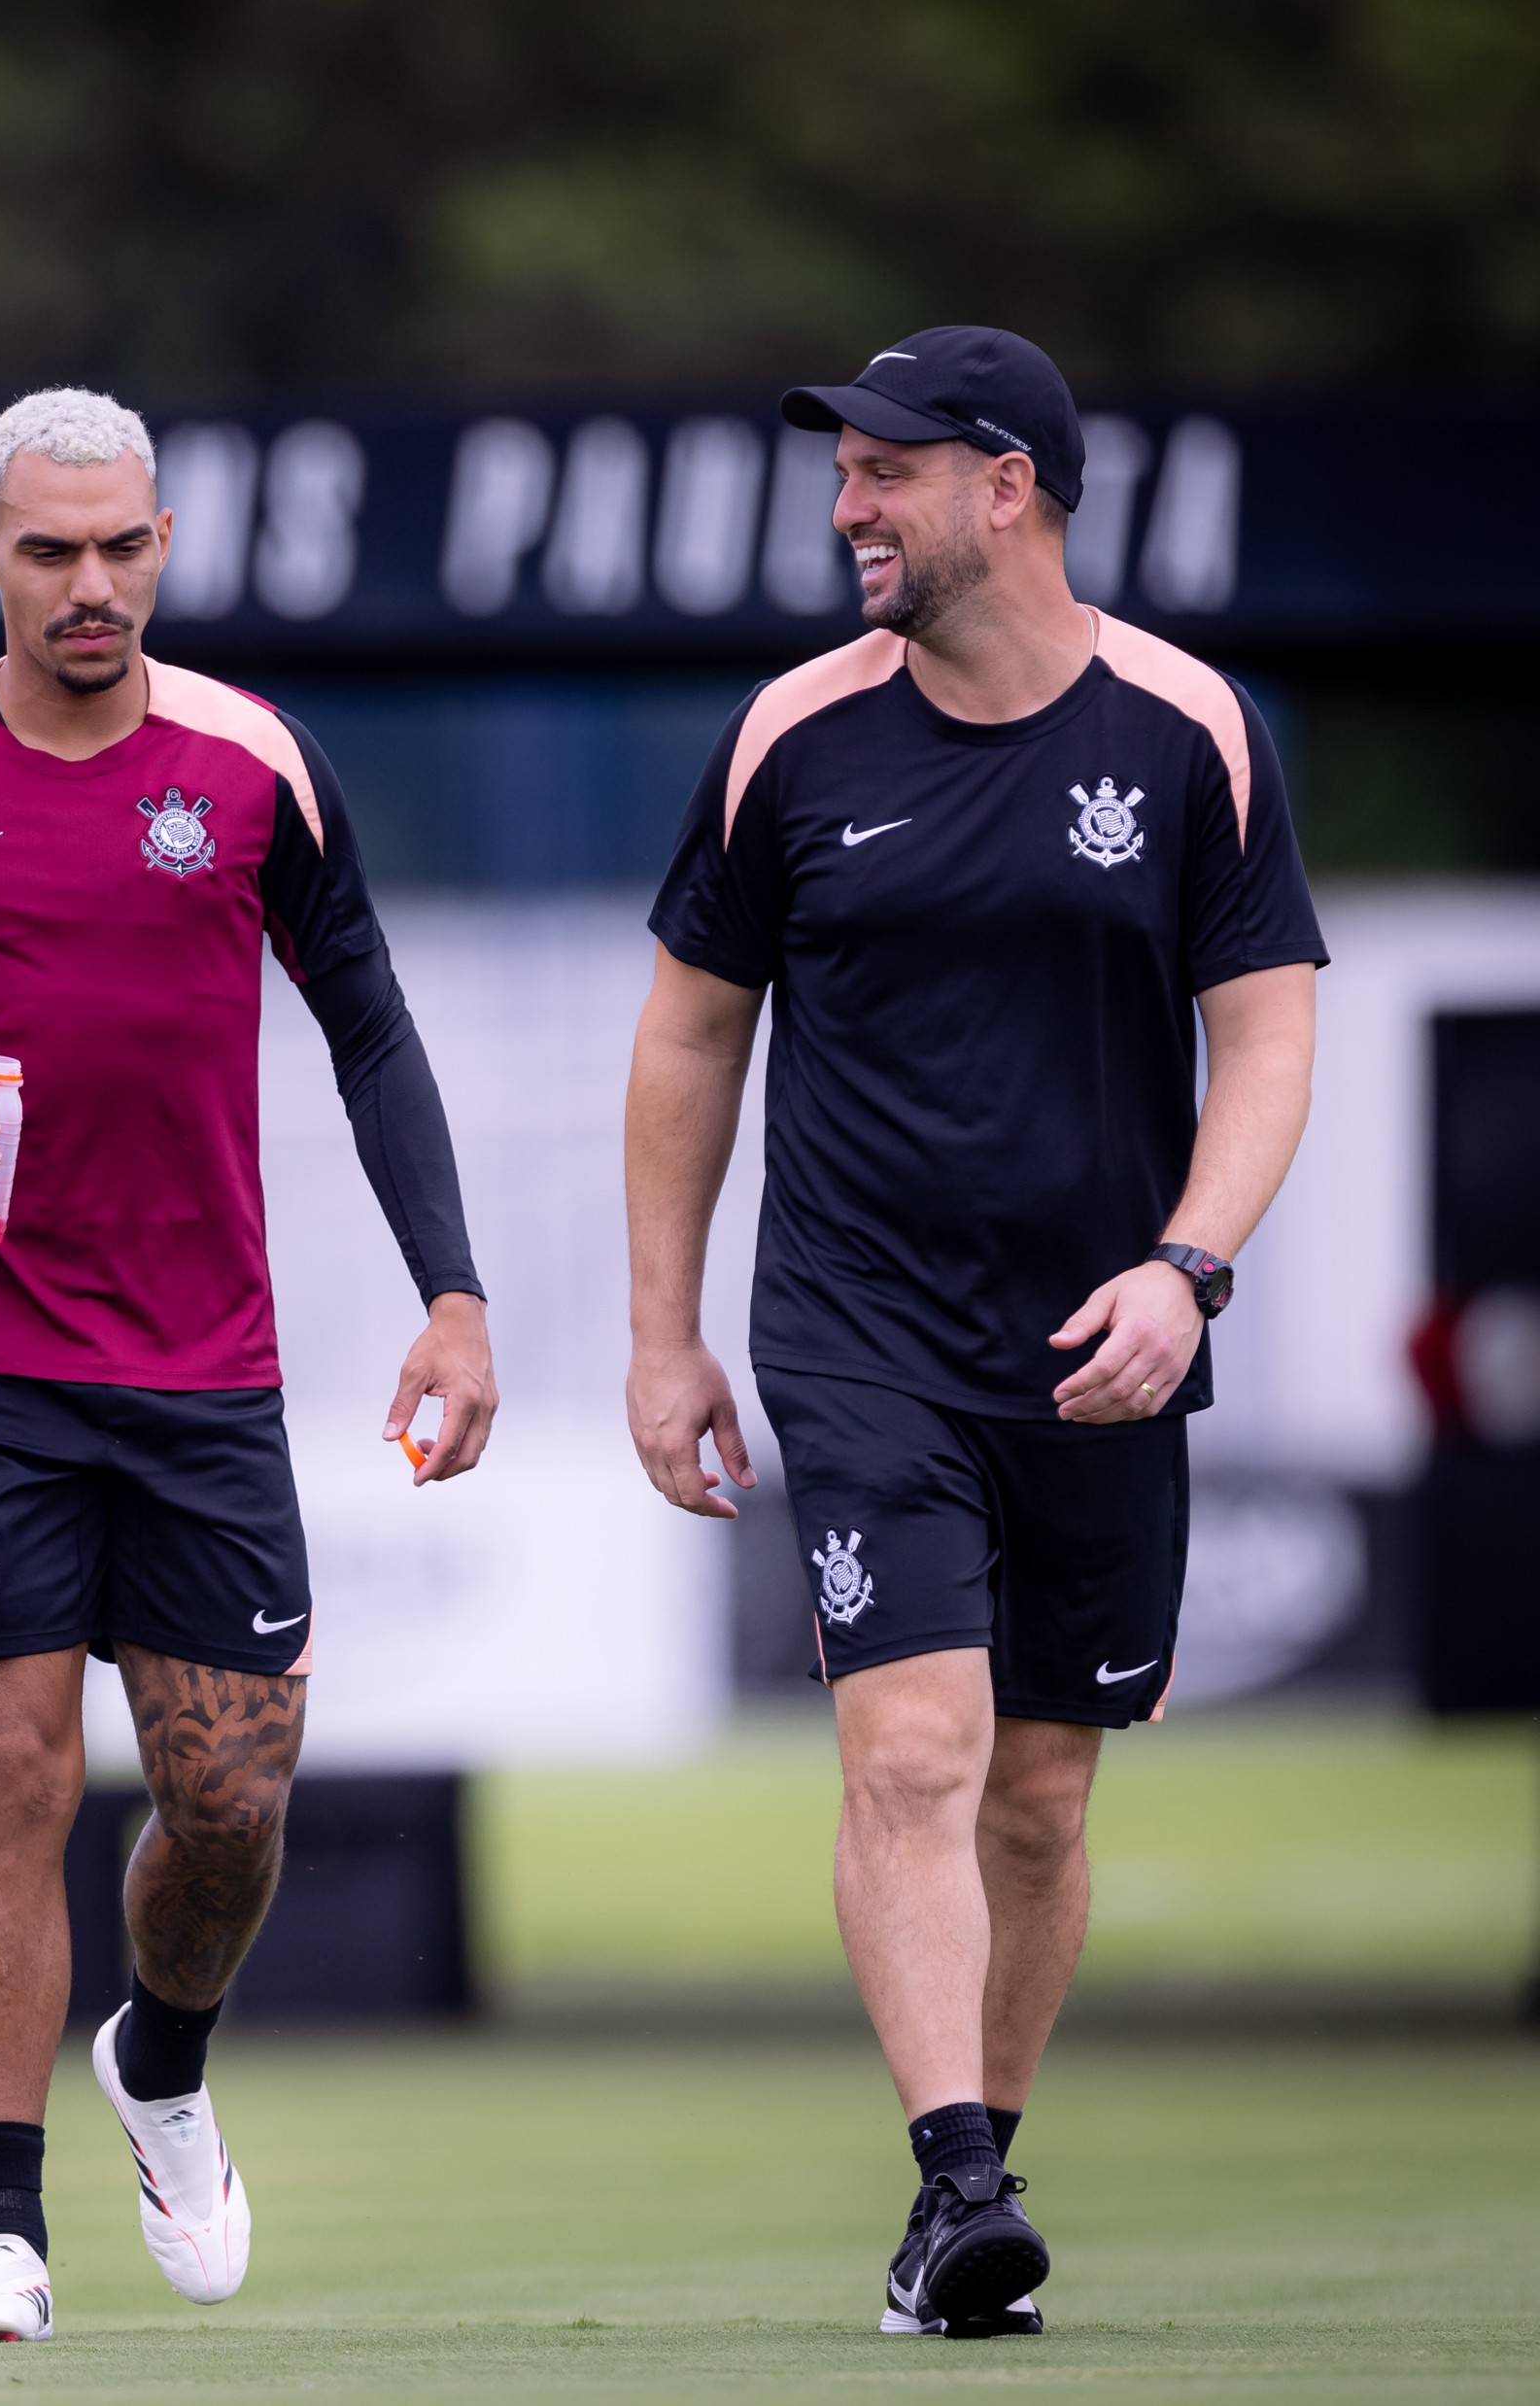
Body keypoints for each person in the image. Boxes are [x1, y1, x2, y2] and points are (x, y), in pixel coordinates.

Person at [0, 387, 496, 2343]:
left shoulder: (254, 766)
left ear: (164, 543)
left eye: (127, 547)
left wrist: (456, 1295)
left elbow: (375, 1035)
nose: (95, 585)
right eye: (54, 550)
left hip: (201, 1367)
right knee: (8, 1773)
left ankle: (159, 2059)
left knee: (231, 1801)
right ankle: (5, 2233)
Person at [624, 326, 1322, 2339]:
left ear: (1003, 484)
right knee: (912, 1752)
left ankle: (982, 2170)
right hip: (855, 1334)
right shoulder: (791, 741)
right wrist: (665, 1337)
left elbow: (1268, 1035)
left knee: (1039, 1795)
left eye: (883, 471)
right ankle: (955, 2185)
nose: (846, 505)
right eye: (842, 471)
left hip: (1109, 1346)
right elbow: (688, 1034)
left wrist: (1185, 1271)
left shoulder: (1193, 729)